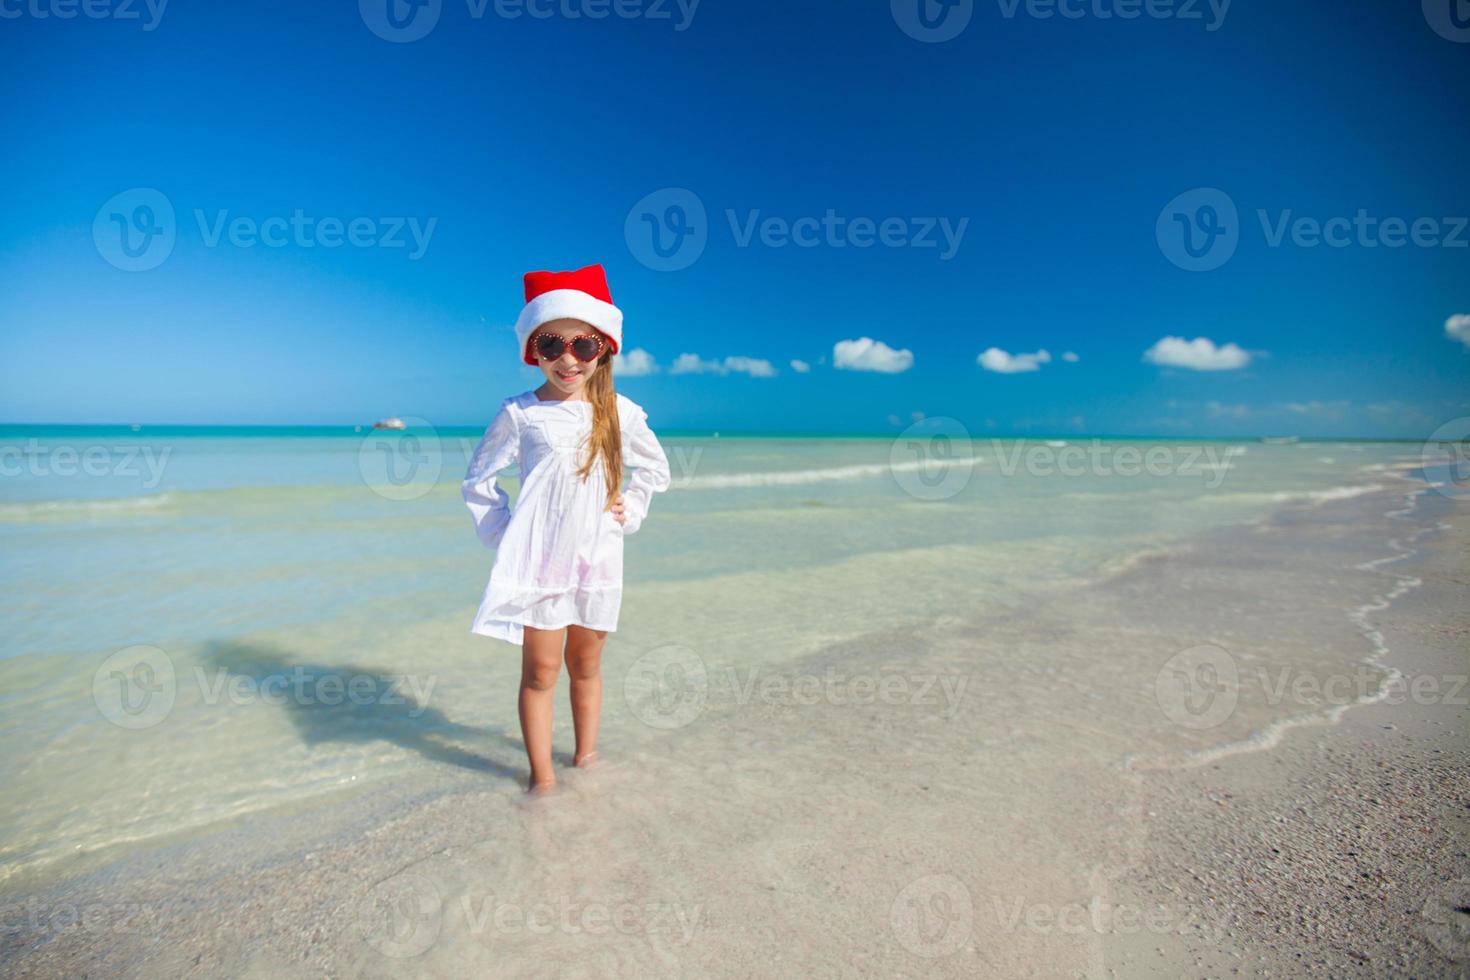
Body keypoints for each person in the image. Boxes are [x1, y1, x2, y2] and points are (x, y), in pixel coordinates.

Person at [462, 263, 672, 794]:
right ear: (533, 349)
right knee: (540, 674)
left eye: (584, 345)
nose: (568, 359)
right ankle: (544, 780)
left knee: (586, 666)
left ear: (605, 347)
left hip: (597, 559)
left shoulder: (619, 412)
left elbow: (656, 469)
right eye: (552, 344)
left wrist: (633, 507)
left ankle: (587, 758)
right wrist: (505, 534)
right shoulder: (520, 414)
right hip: (540, 566)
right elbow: (479, 481)